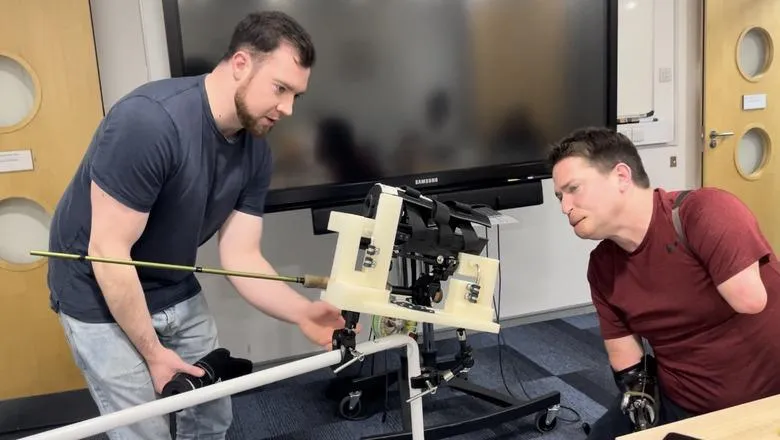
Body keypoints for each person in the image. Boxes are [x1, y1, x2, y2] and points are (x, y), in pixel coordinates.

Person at [47, 11, 349, 440]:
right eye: (280, 89)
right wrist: (154, 353)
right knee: (146, 431)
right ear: (241, 64)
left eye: (296, 95)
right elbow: (108, 253)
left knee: (209, 417)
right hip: (97, 287)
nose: (287, 109)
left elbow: (241, 255)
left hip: (171, 280)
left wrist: (302, 311)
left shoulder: (256, 149)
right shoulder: (149, 123)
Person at [548, 127, 780, 439]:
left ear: (621, 177)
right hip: (681, 405)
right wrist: (642, 414)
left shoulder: (704, 211)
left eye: (574, 188)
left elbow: (751, 300)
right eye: (560, 197)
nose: (565, 207)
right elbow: (627, 365)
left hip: (766, 400)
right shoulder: (602, 267)